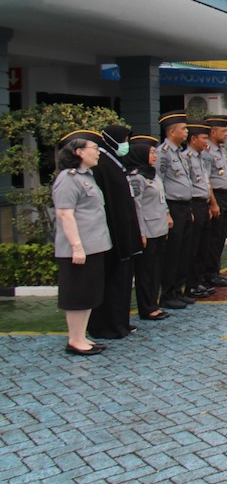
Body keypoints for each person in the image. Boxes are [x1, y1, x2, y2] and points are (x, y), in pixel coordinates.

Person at [52, 132, 113, 355]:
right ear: (79, 152)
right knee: (77, 295)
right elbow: (65, 214)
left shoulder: (87, 177)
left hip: (94, 245)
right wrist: (76, 246)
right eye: (94, 149)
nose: (98, 153)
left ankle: (81, 336)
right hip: (79, 249)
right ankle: (74, 340)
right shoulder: (68, 179)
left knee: (89, 294)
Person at [87, 124, 144, 340]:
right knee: (113, 282)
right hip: (113, 233)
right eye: (124, 140)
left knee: (124, 280)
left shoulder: (114, 161)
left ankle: (121, 322)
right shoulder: (102, 164)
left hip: (125, 230)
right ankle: (108, 325)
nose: (126, 144)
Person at [125, 135, 171, 322]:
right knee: (145, 271)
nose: (154, 156)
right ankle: (147, 307)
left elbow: (162, 198)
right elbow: (136, 207)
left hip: (159, 227)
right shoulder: (137, 178)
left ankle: (154, 302)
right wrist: (141, 232)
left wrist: (167, 214)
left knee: (157, 269)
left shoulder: (153, 174)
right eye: (151, 152)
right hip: (148, 230)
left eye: (154, 152)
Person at [157, 110, 194, 310]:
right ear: (172, 132)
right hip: (173, 207)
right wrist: (166, 212)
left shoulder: (180, 153)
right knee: (172, 252)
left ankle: (179, 290)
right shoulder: (162, 153)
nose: (187, 131)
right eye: (184, 128)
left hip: (185, 207)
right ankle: (168, 293)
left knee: (183, 251)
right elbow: (159, 183)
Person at [182, 123, 217, 299]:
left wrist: (211, 203)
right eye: (203, 138)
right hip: (194, 204)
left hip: (203, 204)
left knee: (204, 246)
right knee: (193, 248)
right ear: (193, 139)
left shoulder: (202, 158)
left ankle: (199, 281)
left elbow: (206, 182)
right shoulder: (185, 158)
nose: (206, 141)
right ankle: (191, 285)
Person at [202, 115, 227, 288]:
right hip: (215, 196)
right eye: (223, 131)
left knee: (221, 235)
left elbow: (226, 174)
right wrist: (213, 203)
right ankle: (210, 274)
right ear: (213, 132)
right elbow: (206, 179)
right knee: (214, 238)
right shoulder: (207, 152)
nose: (226, 133)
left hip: (224, 195)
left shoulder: (221, 150)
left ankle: (216, 271)